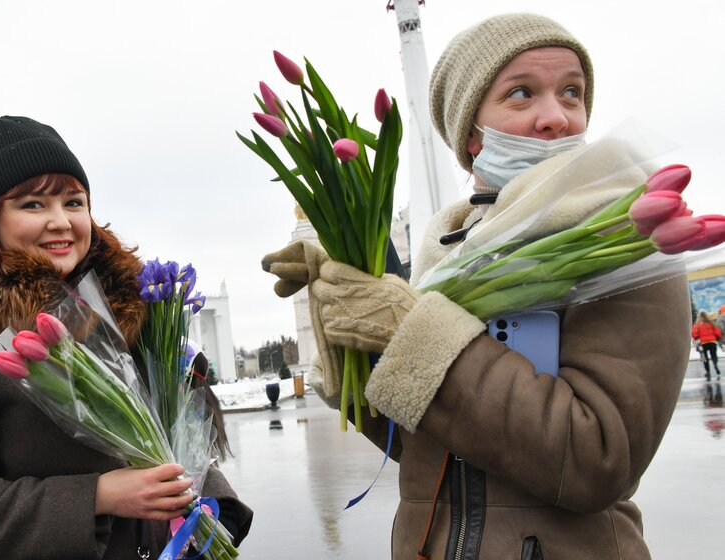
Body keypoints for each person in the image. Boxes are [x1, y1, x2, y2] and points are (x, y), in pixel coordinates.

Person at [262, 13, 690, 559]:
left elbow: (598, 459)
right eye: (521, 94)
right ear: (469, 131)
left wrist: (411, 332)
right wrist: (341, 313)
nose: (556, 117)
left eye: (572, 93)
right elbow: (422, 446)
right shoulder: (447, 246)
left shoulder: (624, 236)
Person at [0, 116, 252, 559]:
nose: (60, 221)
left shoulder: (134, 306)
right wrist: (98, 497)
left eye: (73, 202)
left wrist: (216, 508)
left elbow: (170, 433)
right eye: (32, 205)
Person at [693, 311, 722, 379]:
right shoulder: (711, 323)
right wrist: (717, 338)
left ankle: (708, 371)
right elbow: (718, 332)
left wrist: (698, 337)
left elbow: (695, 335)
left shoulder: (697, 325)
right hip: (712, 342)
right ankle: (715, 364)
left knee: (705, 358)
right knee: (714, 355)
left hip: (704, 343)